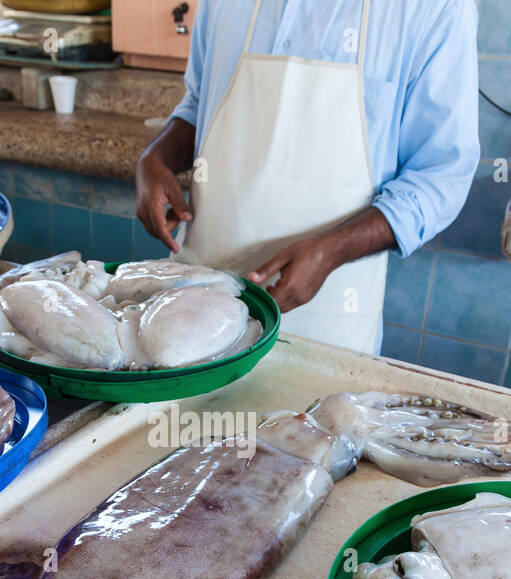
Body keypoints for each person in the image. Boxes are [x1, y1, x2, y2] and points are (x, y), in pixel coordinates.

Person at [135, 0, 479, 354]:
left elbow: (440, 175)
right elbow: (198, 102)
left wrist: (332, 250)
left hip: (327, 314)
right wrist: (154, 159)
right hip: (198, 301)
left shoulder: (434, 7)